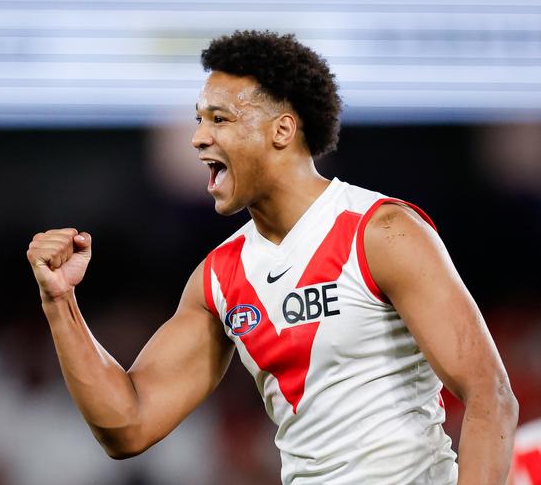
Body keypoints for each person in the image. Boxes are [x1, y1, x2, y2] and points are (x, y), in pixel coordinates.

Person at [26, 30, 518, 484]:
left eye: (219, 119)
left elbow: (490, 397)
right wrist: (60, 302)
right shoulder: (219, 277)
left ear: (282, 130)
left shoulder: (381, 232)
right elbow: (128, 426)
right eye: (199, 120)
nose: (198, 137)